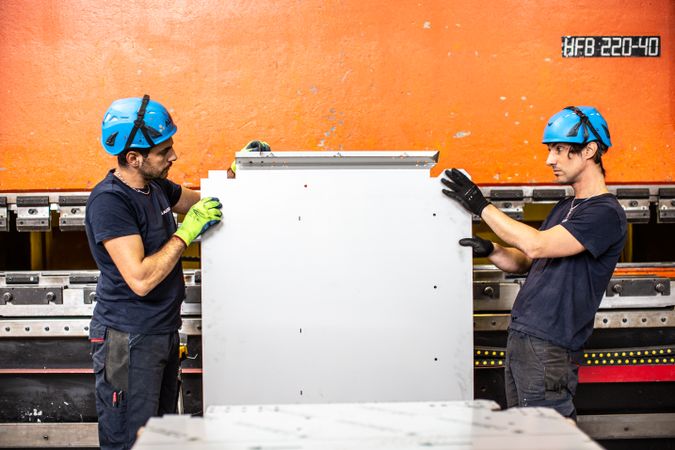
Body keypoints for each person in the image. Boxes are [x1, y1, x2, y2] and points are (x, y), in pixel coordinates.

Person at [441, 106, 627, 420]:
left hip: (549, 346)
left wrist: (479, 205)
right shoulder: (567, 205)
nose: (549, 159)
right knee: (526, 436)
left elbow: (537, 245)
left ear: (590, 150)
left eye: (558, 149)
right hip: (524, 340)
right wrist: (491, 248)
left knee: (546, 439)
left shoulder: (605, 213)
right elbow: (525, 260)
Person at [85, 95, 225, 449]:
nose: (173, 157)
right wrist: (184, 233)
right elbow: (141, 279)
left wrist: (244, 172)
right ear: (134, 158)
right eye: (164, 152)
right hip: (128, 340)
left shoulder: (157, 187)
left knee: (159, 439)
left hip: (161, 331)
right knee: (130, 440)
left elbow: (205, 200)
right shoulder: (110, 202)